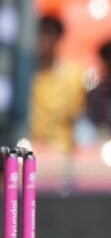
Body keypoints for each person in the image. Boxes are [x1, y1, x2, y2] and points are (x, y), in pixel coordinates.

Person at [29, 15, 85, 153]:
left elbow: (76, 115)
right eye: (39, 33)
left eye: (47, 34)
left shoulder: (73, 75)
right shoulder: (23, 76)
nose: (41, 40)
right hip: (27, 149)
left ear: (58, 38)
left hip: (61, 151)